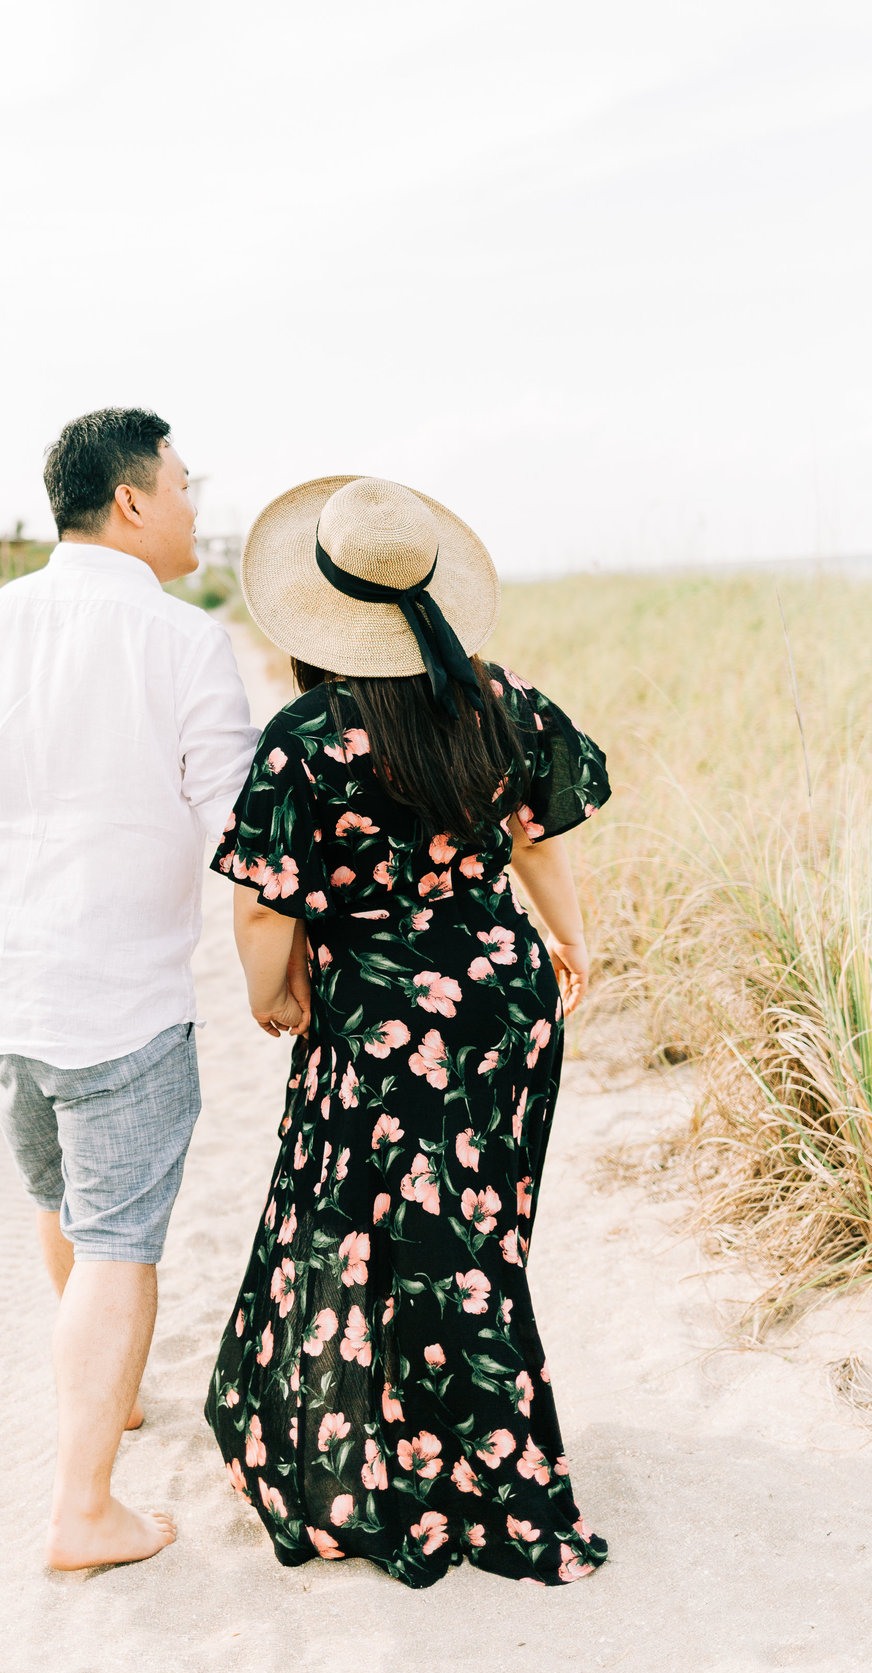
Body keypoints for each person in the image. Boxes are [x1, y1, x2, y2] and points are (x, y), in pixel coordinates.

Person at [206, 474, 611, 1588]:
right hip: (501, 999)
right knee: (478, 1235)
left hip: (382, 1016)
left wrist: (268, 991)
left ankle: (405, 1463)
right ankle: (487, 1451)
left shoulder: (307, 736)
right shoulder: (500, 700)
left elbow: (263, 903)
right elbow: (537, 837)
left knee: (366, 1229)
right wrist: (569, 940)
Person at [0, 408, 257, 1570]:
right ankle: (83, 1506)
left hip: (1, 989)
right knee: (119, 1240)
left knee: (63, 1205)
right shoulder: (184, 642)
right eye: (183, 481)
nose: (196, 503)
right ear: (131, 502)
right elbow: (243, 842)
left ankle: (101, 1397)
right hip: (120, 996)